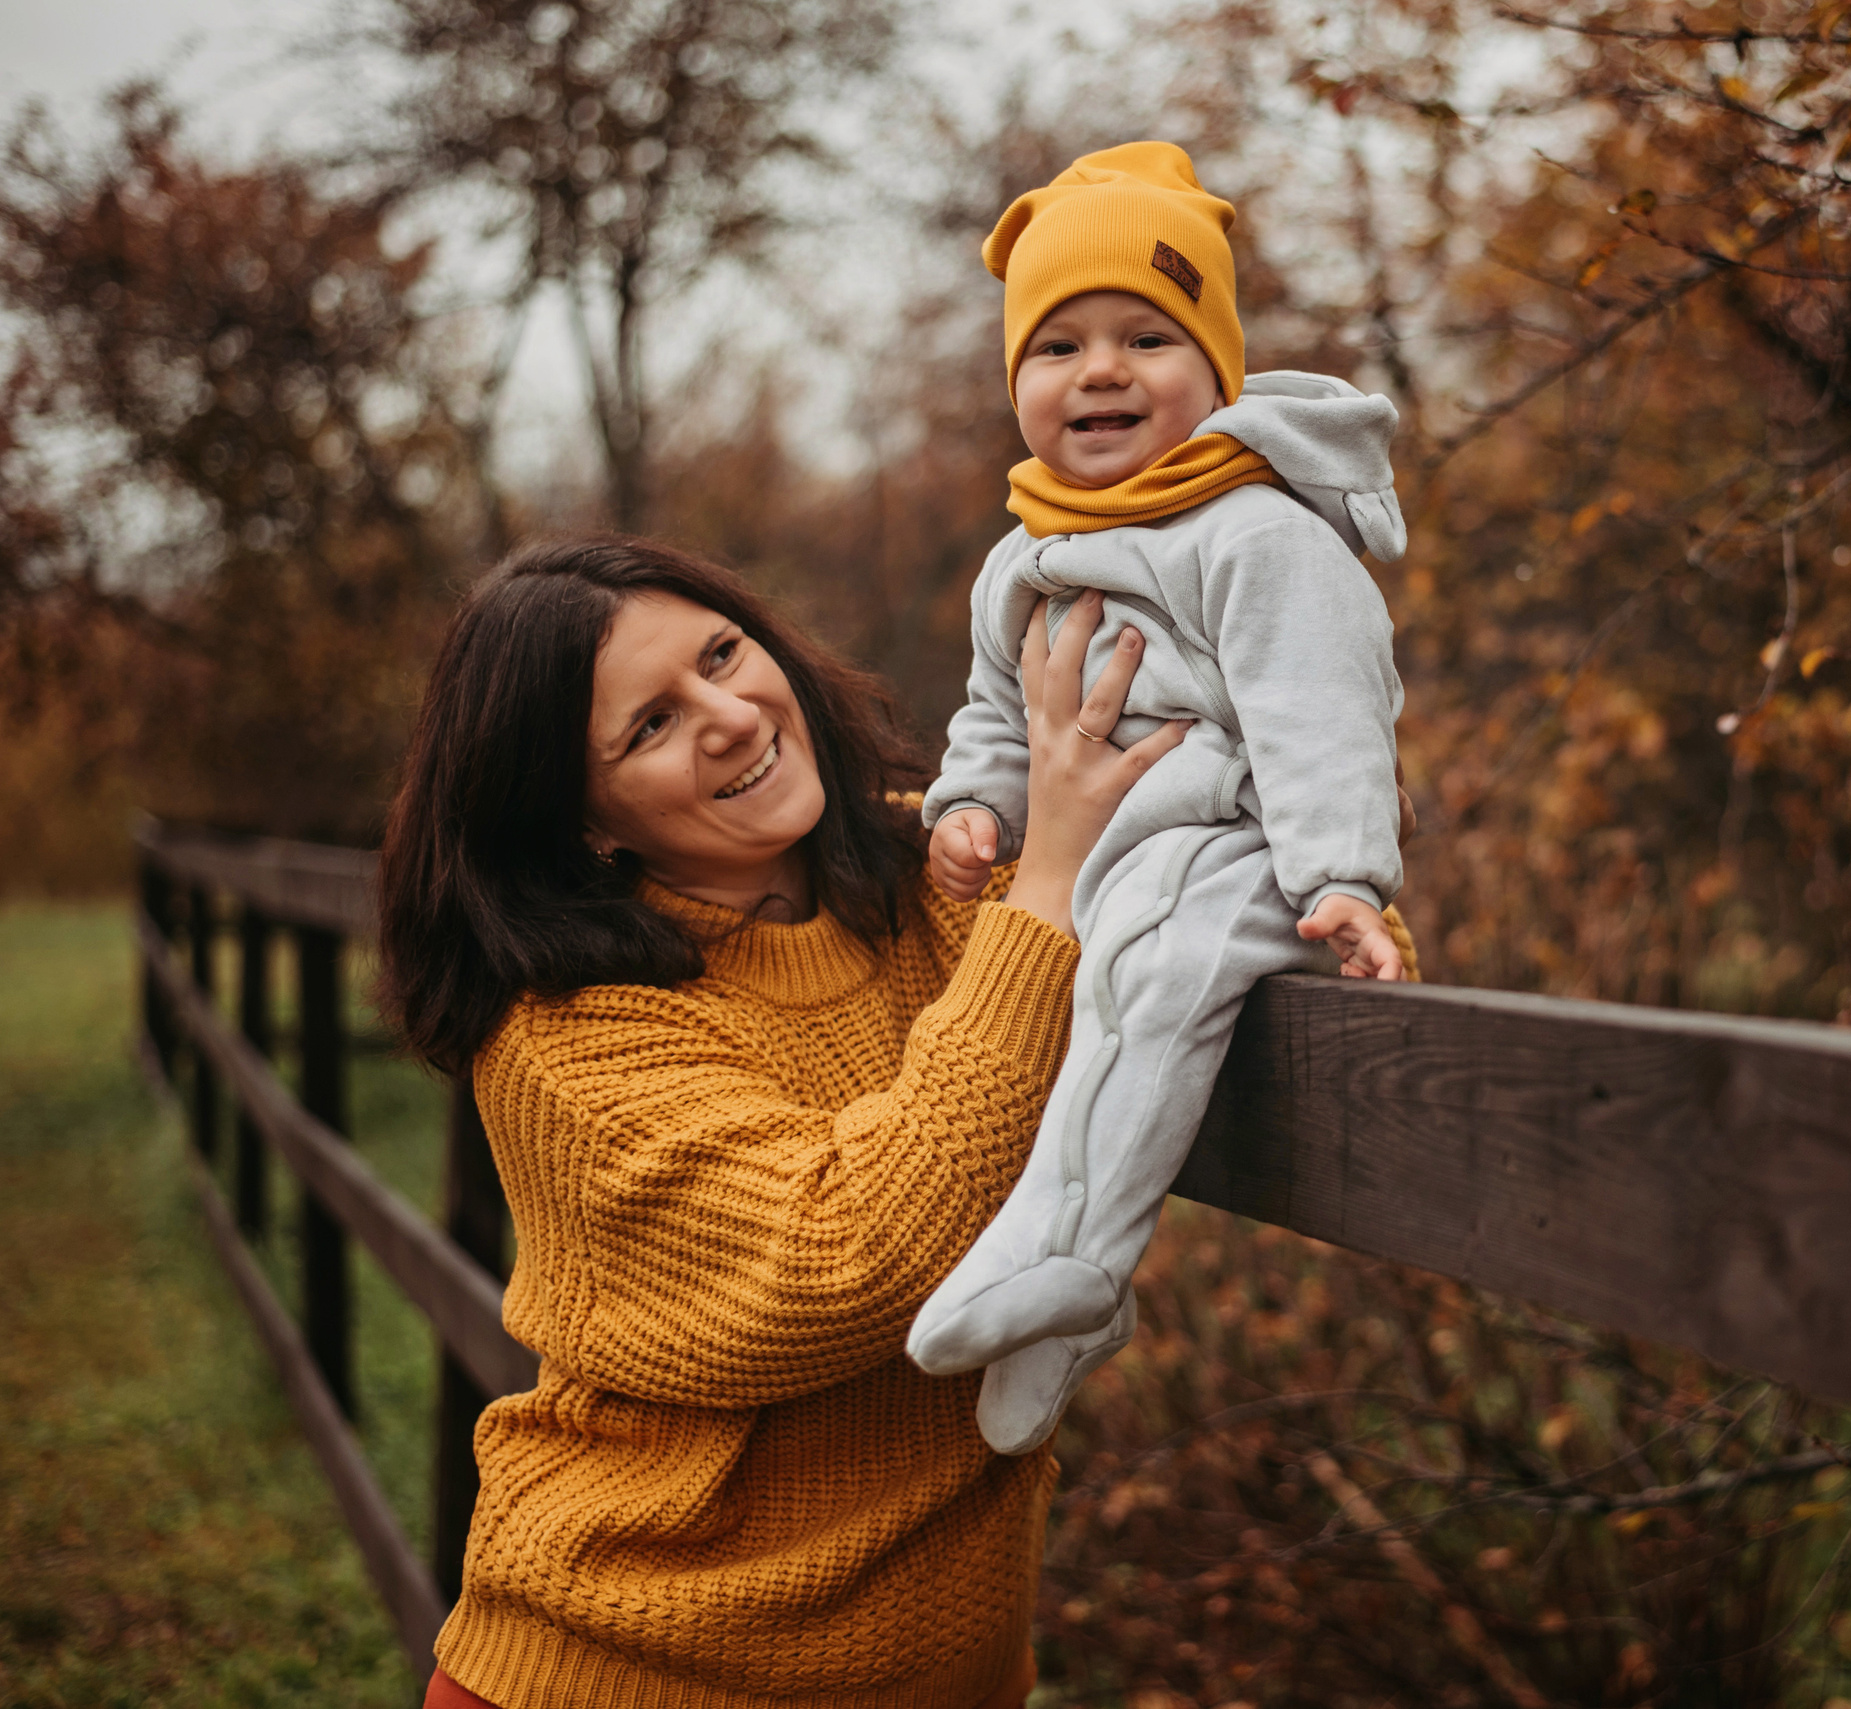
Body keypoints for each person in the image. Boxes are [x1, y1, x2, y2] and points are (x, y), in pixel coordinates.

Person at [375, 534, 1187, 1709]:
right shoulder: (569, 1036)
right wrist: (1054, 874)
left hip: (953, 1669)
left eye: (721, 651)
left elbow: (1210, 956)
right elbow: (847, 1253)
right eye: (648, 724)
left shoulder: (939, 882)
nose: (730, 715)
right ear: (583, 817)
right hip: (638, 1673)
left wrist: (1315, 841)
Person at [905, 141, 1412, 1456]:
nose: (1103, 371)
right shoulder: (1021, 557)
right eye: (1059, 345)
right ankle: (1067, 1300)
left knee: (1149, 977)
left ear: (1217, 368)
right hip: (1099, 861)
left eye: (1146, 334)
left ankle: (1067, 1254)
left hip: (1234, 844)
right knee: (1063, 1008)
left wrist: (1342, 879)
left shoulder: (1251, 530)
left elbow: (1320, 710)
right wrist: (975, 806)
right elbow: (994, 709)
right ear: (1018, 382)